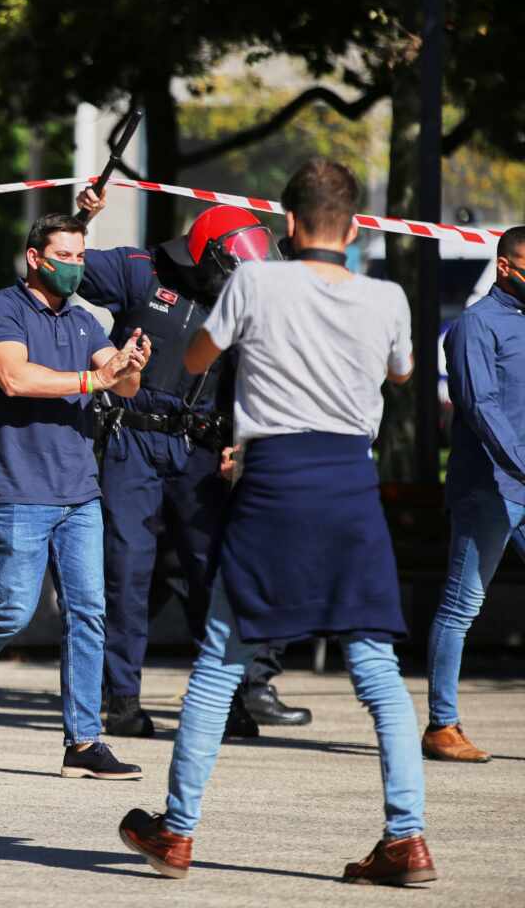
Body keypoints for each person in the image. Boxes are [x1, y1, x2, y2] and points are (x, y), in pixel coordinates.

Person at [118, 159, 436, 886]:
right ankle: (407, 838)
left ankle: (178, 831)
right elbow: (404, 372)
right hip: (351, 485)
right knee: (377, 668)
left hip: (275, 483)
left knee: (220, 660)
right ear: (354, 228)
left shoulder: (257, 282)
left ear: (287, 225)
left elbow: (199, 354)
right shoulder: (385, 297)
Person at [0, 212, 149, 780]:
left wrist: (127, 367)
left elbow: (120, 381)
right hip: (18, 490)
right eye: (64, 256)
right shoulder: (0, 309)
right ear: (35, 258)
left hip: (78, 492)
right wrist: (96, 380)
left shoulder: (86, 321)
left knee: (90, 612)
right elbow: (14, 377)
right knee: (11, 610)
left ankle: (84, 743)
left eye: (81, 256)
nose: (75, 266)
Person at [74, 188, 313, 736]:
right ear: (204, 256)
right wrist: (83, 216)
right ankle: (122, 703)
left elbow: (263, 382)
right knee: (126, 574)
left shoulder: (248, 302)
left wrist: (246, 446)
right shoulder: (139, 269)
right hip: (130, 442)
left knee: (214, 576)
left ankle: (224, 702)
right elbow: (67, 266)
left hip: (200, 451)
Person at [423, 225, 525, 763]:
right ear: (505, 266)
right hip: (489, 487)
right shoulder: (473, 327)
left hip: (522, 483)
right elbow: (481, 407)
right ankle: (442, 725)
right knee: (462, 605)